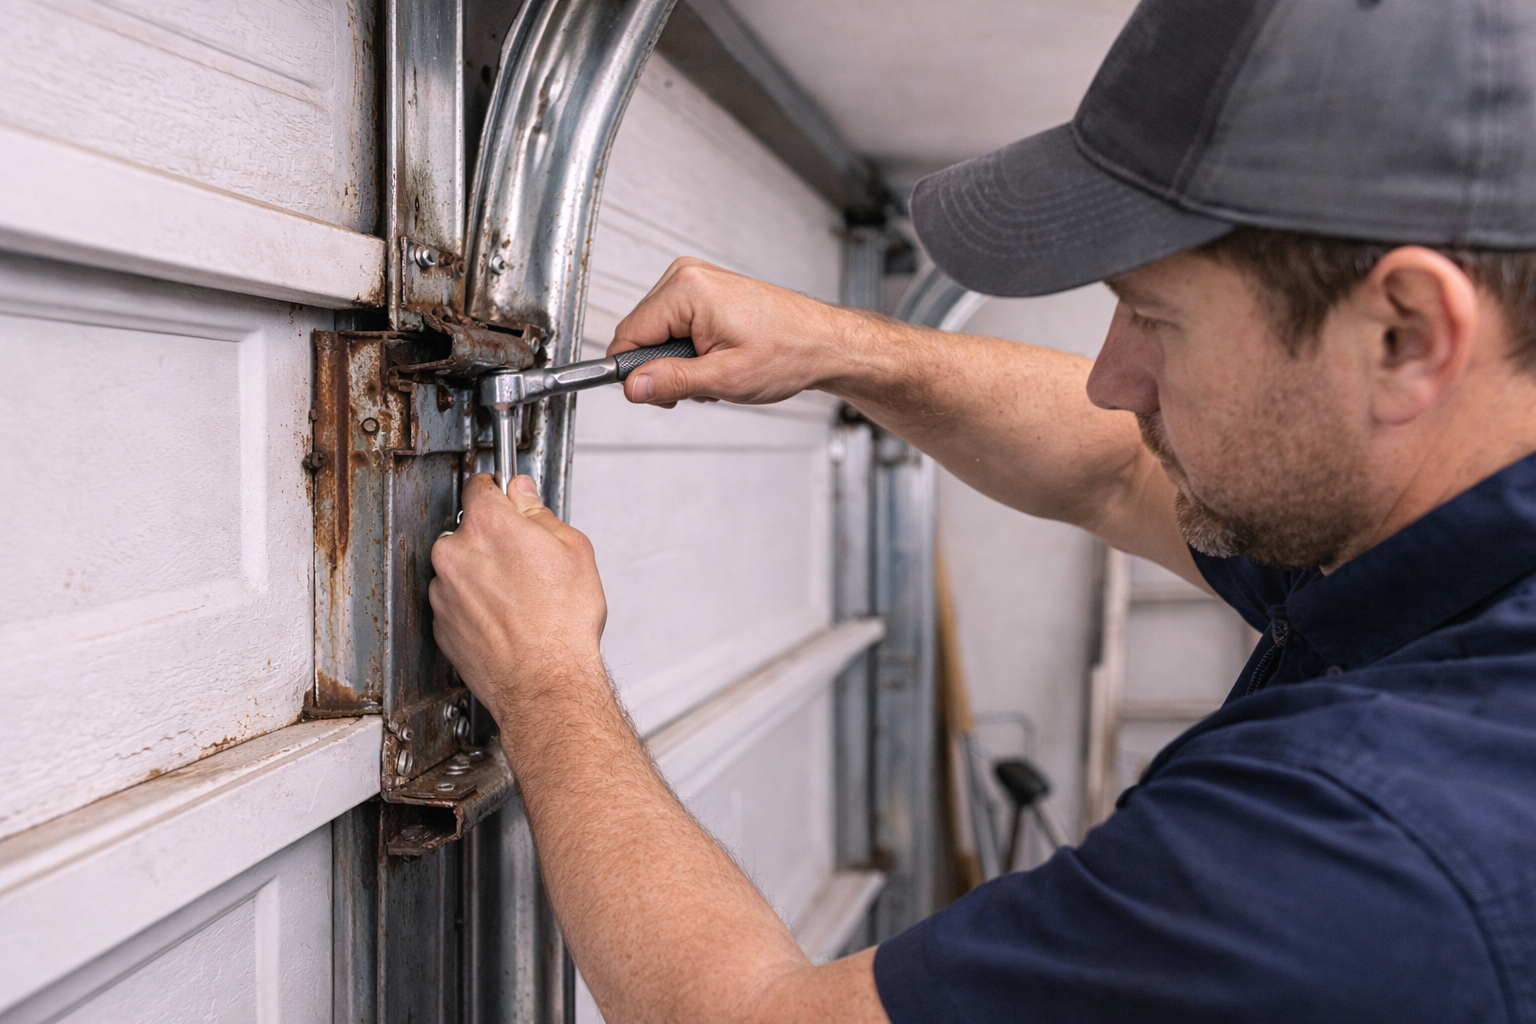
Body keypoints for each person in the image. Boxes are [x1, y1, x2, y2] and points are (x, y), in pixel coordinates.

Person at [429, 0, 1536, 1020]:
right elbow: (1117, 469)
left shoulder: (1369, 850)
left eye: (1155, 317)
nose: (1113, 378)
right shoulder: (1434, 535)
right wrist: (842, 347)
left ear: (1404, 335)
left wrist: (545, 681)